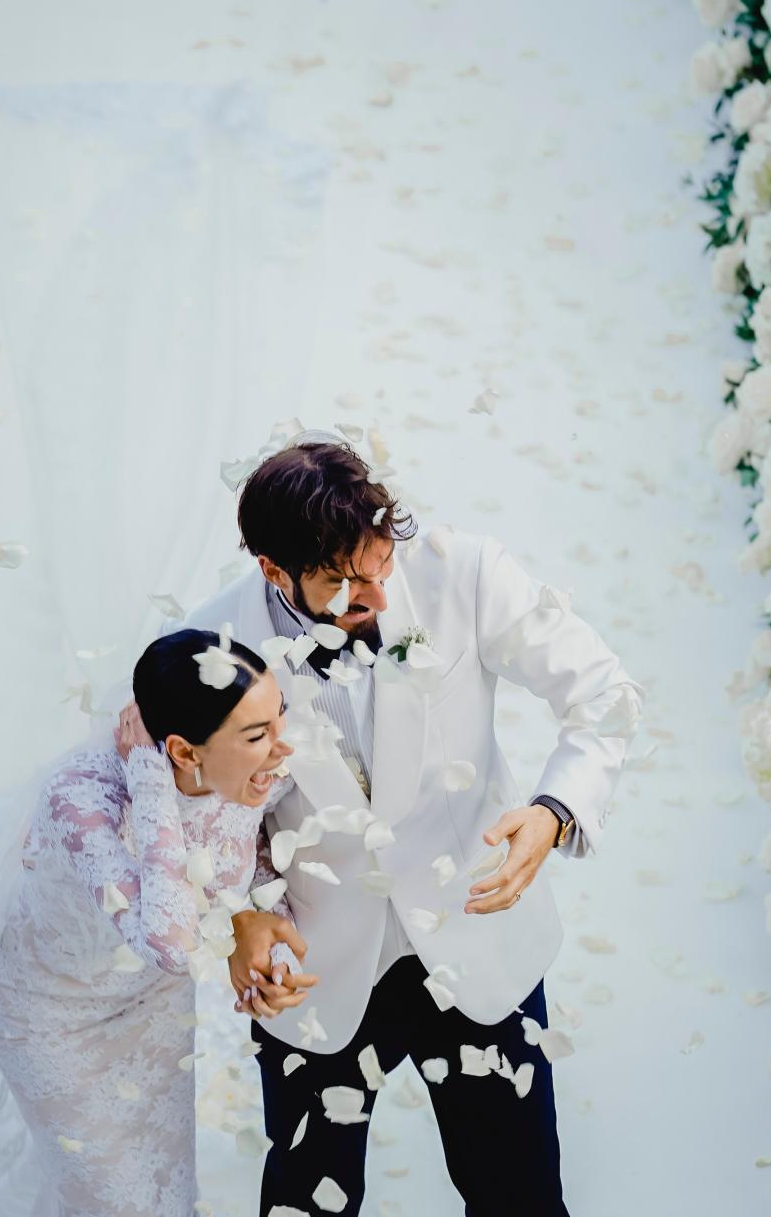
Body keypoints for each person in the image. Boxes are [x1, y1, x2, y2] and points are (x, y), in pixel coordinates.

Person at [161, 426, 648, 1216]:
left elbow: (605, 693)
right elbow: (185, 817)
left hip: (478, 938)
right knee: (305, 1205)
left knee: (519, 1196)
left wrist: (555, 812)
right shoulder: (204, 649)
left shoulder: (467, 573)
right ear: (272, 570)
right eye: (346, 583)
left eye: (383, 566)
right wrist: (238, 920)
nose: (379, 597)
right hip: (312, 971)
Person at [0, 627, 317, 1217]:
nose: (283, 750)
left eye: (279, 720)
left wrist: (269, 946)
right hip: (52, 1017)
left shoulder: (254, 773)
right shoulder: (81, 800)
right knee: (110, 1197)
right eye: (259, 735)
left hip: (152, 1008)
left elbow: (253, 862)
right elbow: (169, 943)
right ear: (182, 751)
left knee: (165, 1186)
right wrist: (151, 783)